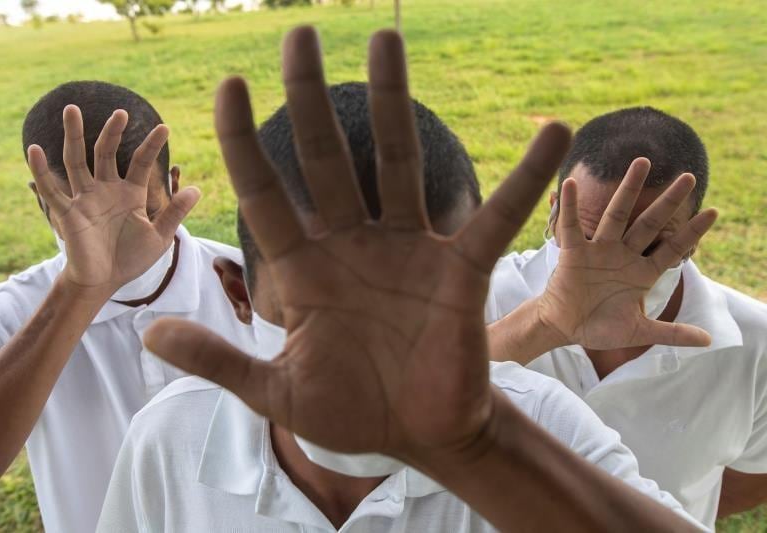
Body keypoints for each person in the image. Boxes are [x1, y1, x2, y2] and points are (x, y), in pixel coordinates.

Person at [99, 27, 707, 532]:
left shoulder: (535, 423)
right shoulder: (170, 439)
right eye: (318, 309)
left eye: (422, 308)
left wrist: (477, 452)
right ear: (238, 292)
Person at [0, 81, 256, 532]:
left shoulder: (253, 288)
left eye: (143, 212)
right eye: (80, 219)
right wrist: (82, 289)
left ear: (175, 183)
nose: (120, 242)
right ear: (42, 201)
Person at [482, 106, 767, 528]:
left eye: (649, 243)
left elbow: (753, 477)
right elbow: (394, 415)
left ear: (693, 238)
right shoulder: (477, 297)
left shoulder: (755, 342)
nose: (609, 268)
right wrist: (544, 324)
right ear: (554, 210)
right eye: (586, 236)